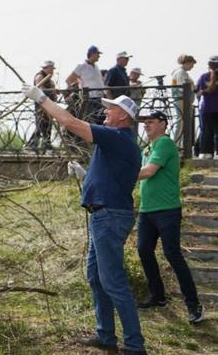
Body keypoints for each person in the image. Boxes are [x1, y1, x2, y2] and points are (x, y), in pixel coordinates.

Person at [22, 84, 147, 354]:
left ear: (123, 116)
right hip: (106, 215)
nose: (104, 111)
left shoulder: (117, 136)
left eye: (110, 108)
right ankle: (106, 336)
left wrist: (42, 98)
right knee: (96, 277)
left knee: (113, 281)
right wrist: (85, 176)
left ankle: (135, 346)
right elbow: (114, 178)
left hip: (109, 217)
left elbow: (69, 121)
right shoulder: (122, 143)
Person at [135, 110, 204, 324]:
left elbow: (148, 172)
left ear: (164, 124)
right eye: (144, 122)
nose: (146, 125)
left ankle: (193, 305)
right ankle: (158, 296)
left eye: (151, 122)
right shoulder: (147, 147)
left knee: (172, 254)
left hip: (167, 210)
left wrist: (118, 173)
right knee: (144, 251)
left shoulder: (164, 143)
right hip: (147, 210)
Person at [67, 45, 106, 125]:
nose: (99, 56)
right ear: (92, 54)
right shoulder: (82, 66)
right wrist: (72, 93)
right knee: (92, 120)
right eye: (97, 54)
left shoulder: (96, 67)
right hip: (89, 99)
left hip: (99, 98)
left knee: (100, 120)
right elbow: (69, 80)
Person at [25, 60, 59, 153]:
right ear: (47, 68)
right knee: (40, 125)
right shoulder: (40, 76)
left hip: (50, 105)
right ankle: (31, 146)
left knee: (48, 126)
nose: (52, 71)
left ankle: (45, 147)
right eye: (51, 69)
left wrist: (55, 95)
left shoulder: (50, 80)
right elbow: (40, 90)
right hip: (41, 104)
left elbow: (53, 92)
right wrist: (52, 90)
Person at [195, 56, 218, 159]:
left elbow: (198, 92)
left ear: (209, 66)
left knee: (206, 131)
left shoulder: (203, 77)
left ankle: (205, 152)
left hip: (207, 108)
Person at [171, 54, 196, 144]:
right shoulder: (180, 73)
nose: (192, 67)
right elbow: (182, 88)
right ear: (187, 63)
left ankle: (179, 143)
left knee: (182, 122)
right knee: (180, 121)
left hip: (182, 100)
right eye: (192, 64)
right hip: (181, 100)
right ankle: (176, 143)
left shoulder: (182, 72)